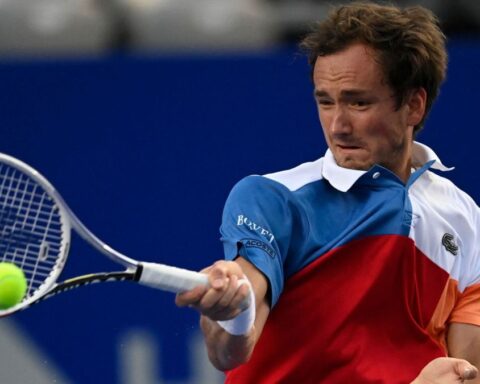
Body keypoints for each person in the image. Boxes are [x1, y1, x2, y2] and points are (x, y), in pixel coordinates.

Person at [176, 2, 480, 383]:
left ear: (413, 105)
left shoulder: (465, 219)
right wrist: (232, 314)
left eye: (358, 102)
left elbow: (469, 370)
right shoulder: (273, 198)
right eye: (325, 101)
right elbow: (229, 349)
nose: (338, 126)